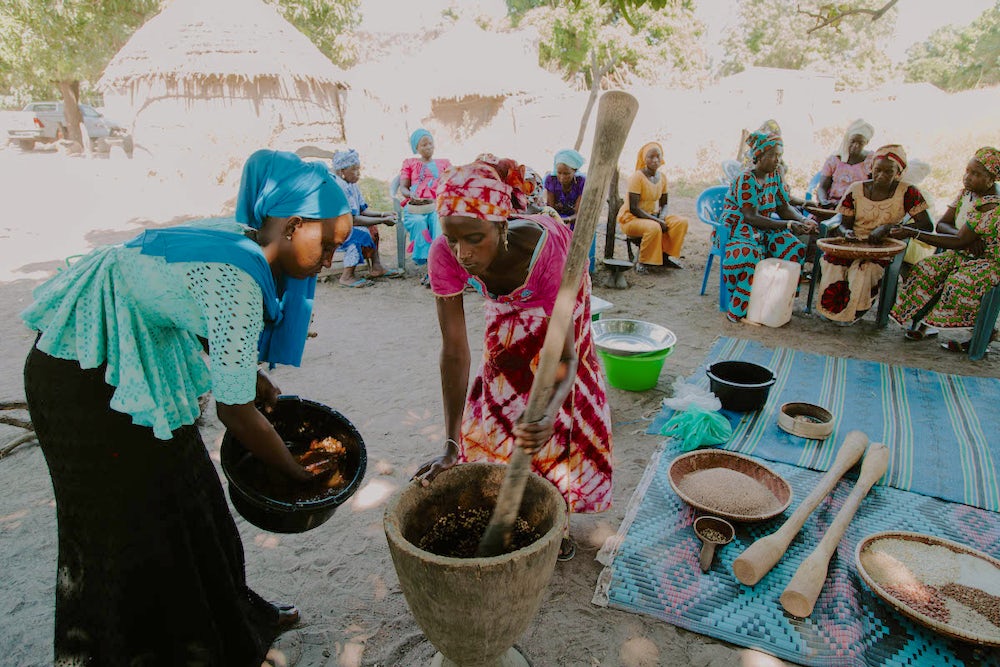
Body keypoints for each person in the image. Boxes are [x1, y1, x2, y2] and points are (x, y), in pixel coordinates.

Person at [20, 149, 353, 665]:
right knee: (126, 526)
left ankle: (228, 622)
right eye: (327, 244)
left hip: (127, 359)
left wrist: (249, 375)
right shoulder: (241, 277)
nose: (332, 258)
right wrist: (295, 471)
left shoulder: (241, 238)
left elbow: (186, 303)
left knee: (192, 496)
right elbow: (235, 413)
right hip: (82, 378)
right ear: (291, 227)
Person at [414, 154, 613, 562]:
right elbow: (454, 352)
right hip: (506, 304)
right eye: (453, 238)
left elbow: (565, 355)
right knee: (501, 393)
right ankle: (509, 503)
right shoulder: (446, 254)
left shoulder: (550, 252)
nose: (462, 253)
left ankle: (556, 518)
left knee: (555, 418)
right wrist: (451, 444)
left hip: (556, 292)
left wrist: (547, 409)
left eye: (474, 238)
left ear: (501, 225)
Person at [890, 147, 1000, 352]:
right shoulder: (967, 194)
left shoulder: (991, 205)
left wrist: (914, 233)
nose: (967, 177)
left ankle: (982, 333)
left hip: (992, 261)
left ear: (991, 179)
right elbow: (943, 225)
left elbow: (957, 240)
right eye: (968, 171)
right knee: (926, 268)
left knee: (960, 282)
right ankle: (925, 324)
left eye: (976, 174)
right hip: (965, 252)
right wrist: (966, 237)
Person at [815, 144, 932, 324]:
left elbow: (926, 225)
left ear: (899, 172)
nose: (881, 176)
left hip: (885, 246)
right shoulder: (856, 189)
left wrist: (889, 228)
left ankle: (854, 312)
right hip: (854, 243)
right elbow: (844, 225)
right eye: (878, 170)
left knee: (864, 269)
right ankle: (832, 311)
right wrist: (848, 234)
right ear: (871, 168)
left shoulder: (908, 192)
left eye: (888, 171)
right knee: (832, 262)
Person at [721, 131, 819, 323]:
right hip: (739, 227)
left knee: (794, 247)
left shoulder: (774, 175)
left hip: (763, 227)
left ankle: (776, 303)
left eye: (779, 156)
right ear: (758, 156)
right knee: (751, 254)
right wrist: (789, 225)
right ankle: (739, 309)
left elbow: (783, 206)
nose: (777, 160)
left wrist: (802, 220)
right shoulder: (746, 179)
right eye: (773, 155)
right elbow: (750, 217)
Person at [330, 148, 402, 287]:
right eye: (354, 169)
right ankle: (347, 276)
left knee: (372, 228)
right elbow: (354, 219)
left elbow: (363, 210)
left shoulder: (352, 185)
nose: (358, 173)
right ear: (341, 171)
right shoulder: (341, 187)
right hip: (335, 229)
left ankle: (376, 267)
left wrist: (383, 214)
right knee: (360, 234)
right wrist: (383, 220)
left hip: (348, 224)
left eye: (359, 169)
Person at [616, 141, 689, 274]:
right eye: (651, 157)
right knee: (653, 227)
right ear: (644, 159)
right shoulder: (637, 177)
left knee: (681, 222)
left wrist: (661, 217)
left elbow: (664, 203)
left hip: (652, 215)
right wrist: (657, 221)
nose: (655, 160)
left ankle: (665, 256)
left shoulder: (663, 178)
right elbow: (634, 208)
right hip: (631, 219)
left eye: (658, 156)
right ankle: (643, 262)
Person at [398, 128, 452, 285]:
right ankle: (430, 268)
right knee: (418, 223)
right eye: (424, 144)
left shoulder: (445, 163)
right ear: (416, 148)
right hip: (416, 206)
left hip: (437, 204)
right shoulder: (409, 163)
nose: (428, 147)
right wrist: (409, 194)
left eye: (430, 143)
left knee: (437, 221)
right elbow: (403, 187)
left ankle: (436, 269)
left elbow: (452, 182)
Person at [815, 118, 875, 208]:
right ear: (848, 139)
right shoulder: (835, 159)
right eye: (852, 141)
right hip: (832, 204)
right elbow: (822, 187)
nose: (855, 146)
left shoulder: (871, 160)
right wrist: (823, 201)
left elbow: (873, 188)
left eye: (860, 143)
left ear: (866, 143)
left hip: (857, 206)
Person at [545, 148, 586, 227]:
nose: (562, 177)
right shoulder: (551, 180)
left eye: (566, 174)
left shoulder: (581, 182)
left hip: (576, 219)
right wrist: (558, 220)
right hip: (556, 217)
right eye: (559, 173)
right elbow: (550, 209)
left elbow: (578, 213)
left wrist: (566, 220)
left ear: (575, 171)